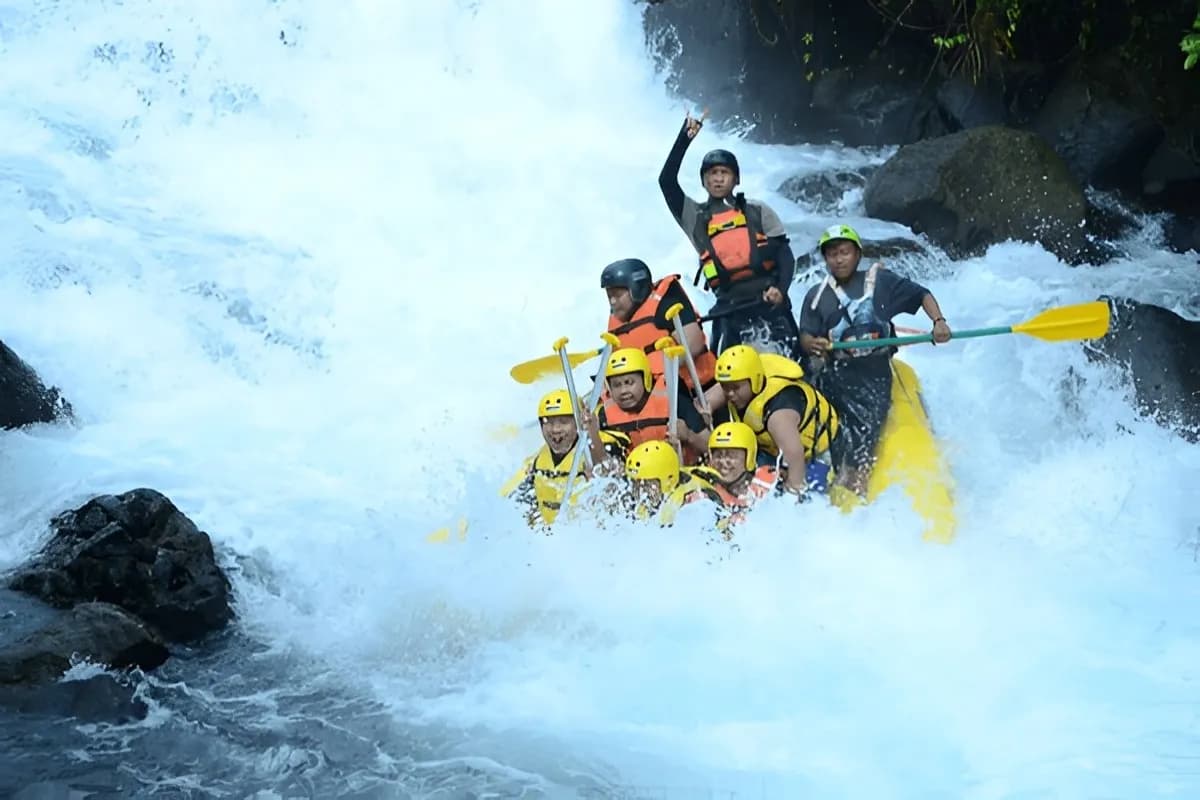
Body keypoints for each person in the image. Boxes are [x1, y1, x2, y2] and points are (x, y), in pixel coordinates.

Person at [797, 223, 952, 498]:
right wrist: (812, 345)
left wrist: (938, 321)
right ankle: (831, 476)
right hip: (837, 373)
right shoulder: (816, 296)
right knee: (833, 431)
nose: (839, 259)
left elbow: (922, 295)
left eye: (845, 252)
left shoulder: (882, 282)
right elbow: (806, 337)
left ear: (858, 254)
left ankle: (858, 481)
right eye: (832, 254)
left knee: (863, 433)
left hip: (874, 373)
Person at [659, 112, 800, 359]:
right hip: (728, 312)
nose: (718, 178)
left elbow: (784, 255)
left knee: (796, 366)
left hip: (769, 303)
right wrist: (684, 138)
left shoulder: (757, 211)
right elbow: (666, 182)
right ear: (703, 181)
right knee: (724, 373)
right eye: (711, 173)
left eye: (724, 172)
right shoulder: (695, 218)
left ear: (735, 179)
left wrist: (780, 289)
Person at [713, 344, 839, 500]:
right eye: (725, 387)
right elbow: (705, 403)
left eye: (735, 388)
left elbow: (795, 455)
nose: (730, 394)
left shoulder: (778, 415)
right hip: (771, 449)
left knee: (810, 495)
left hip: (819, 451)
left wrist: (793, 495)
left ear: (755, 381)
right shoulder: (738, 385)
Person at [600, 258, 725, 414]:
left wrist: (650, 372)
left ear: (636, 289)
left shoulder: (666, 301)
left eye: (618, 295)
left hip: (694, 391)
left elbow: (694, 344)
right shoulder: (615, 322)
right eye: (609, 296)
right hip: (647, 401)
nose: (612, 301)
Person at [508, 389, 630, 528]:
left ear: (578, 423)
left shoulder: (601, 447)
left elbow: (615, 477)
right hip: (552, 533)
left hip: (592, 531)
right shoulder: (537, 461)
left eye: (564, 421)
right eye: (549, 422)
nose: (555, 429)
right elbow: (516, 502)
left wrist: (593, 434)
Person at [598, 347, 714, 465]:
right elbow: (599, 461)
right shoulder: (604, 415)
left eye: (629, 382)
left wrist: (688, 435)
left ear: (646, 380)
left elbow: (711, 448)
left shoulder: (674, 403)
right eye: (617, 385)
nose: (623, 391)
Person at [623, 440, 722, 526]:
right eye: (636, 483)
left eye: (647, 484)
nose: (640, 491)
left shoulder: (695, 502)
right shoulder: (638, 501)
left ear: (669, 480)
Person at [705, 421, 783, 530]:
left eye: (731, 455)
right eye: (718, 455)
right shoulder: (704, 491)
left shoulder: (771, 486)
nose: (723, 462)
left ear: (749, 457)